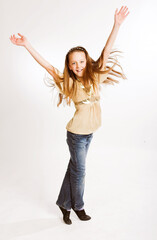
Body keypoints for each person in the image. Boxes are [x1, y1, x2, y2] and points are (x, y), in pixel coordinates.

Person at [9, 6, 129, 225]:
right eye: (73, 63)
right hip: (76, 135)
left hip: (89, 133)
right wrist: (27, 45)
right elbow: (48, 66)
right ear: (69, 65)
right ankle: (78, 206)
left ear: (87, 60)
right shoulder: (69, 83)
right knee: (80, 172)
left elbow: (107, 50)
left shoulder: (95, 78)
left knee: (73, 168)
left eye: (81, 61)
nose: (78, 66)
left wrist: (117, 24)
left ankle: (63, 204)